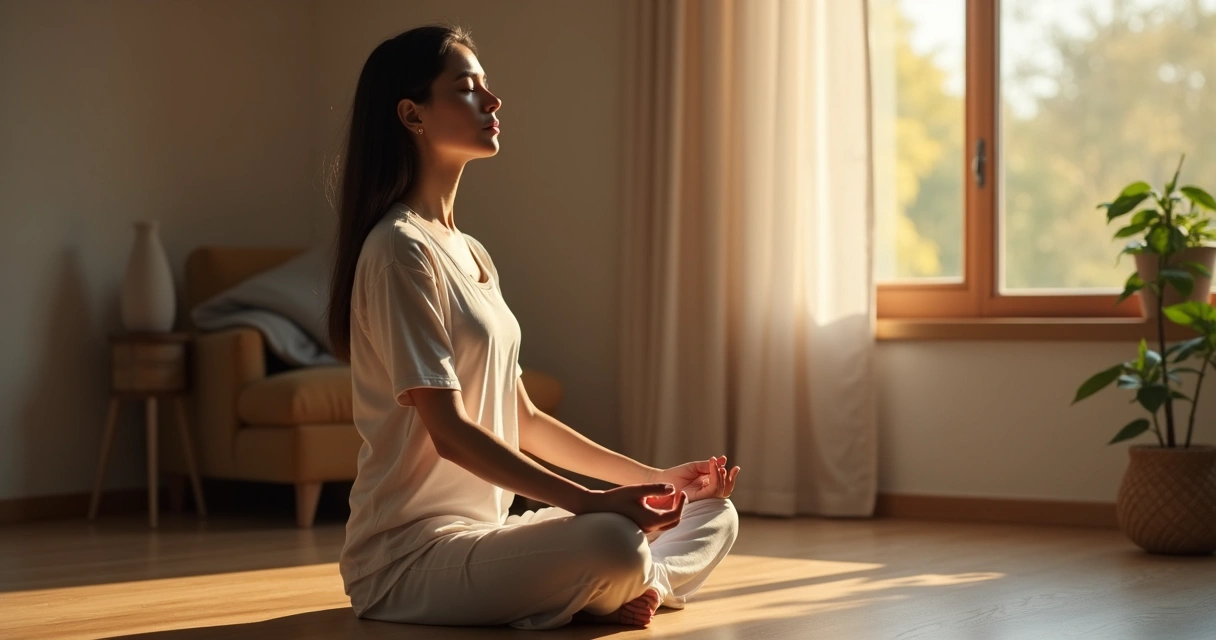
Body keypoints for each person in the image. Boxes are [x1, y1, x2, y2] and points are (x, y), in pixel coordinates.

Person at [324, 23, 740, 631]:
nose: (493, 101)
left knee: (711, 513)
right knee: (613, 541)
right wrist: (590, 502)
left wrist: (657, 480)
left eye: (485, 86)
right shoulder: (397, 250)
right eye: (467, 88)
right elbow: (449, 432)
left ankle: (617, 586)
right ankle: (621, 581)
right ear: (412, 114)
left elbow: (524, 420)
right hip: (409, 560)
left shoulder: (471, 251)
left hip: (487, 537)